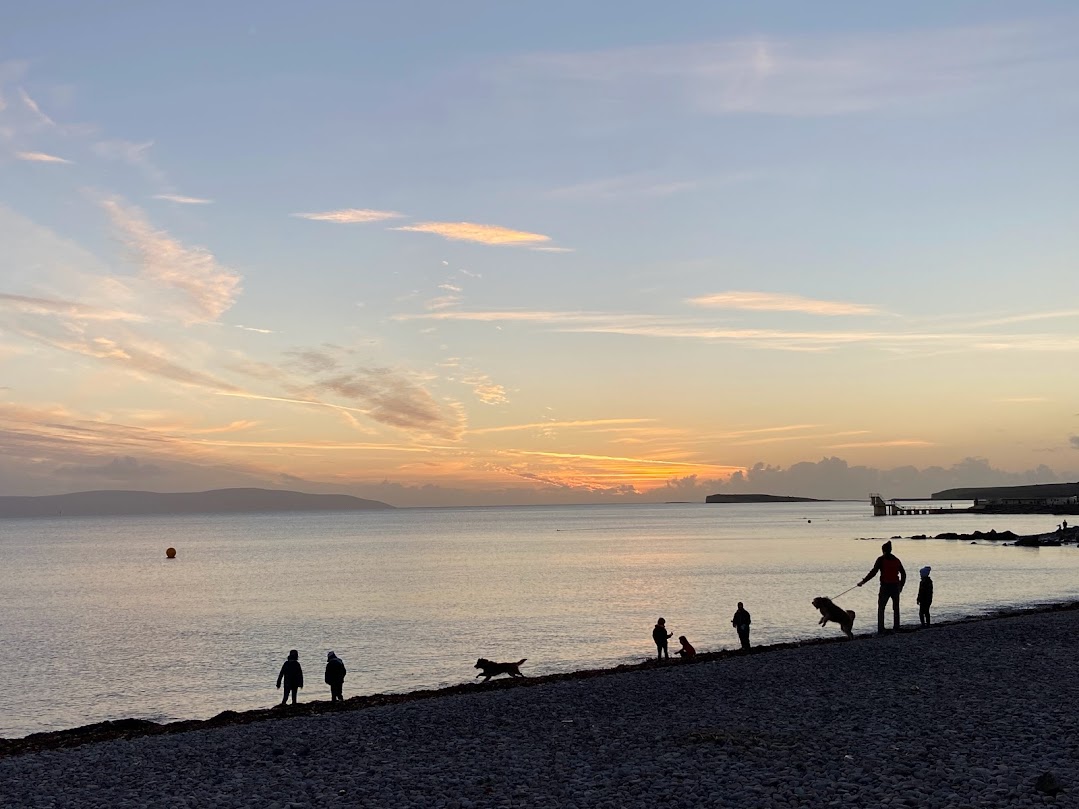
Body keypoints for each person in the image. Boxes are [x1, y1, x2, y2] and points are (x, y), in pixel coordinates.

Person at [857, 541, 907, 634]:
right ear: (890, 550)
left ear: (883, 550)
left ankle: (881, 629)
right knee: (896, 608)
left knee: (881, 608)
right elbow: (903, 573)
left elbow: (873, 572)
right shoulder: (896, 560)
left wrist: (863, 581)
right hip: (895, 586)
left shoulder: (881, 559)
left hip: (886, 586)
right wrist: (901, 585)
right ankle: (896, 627)